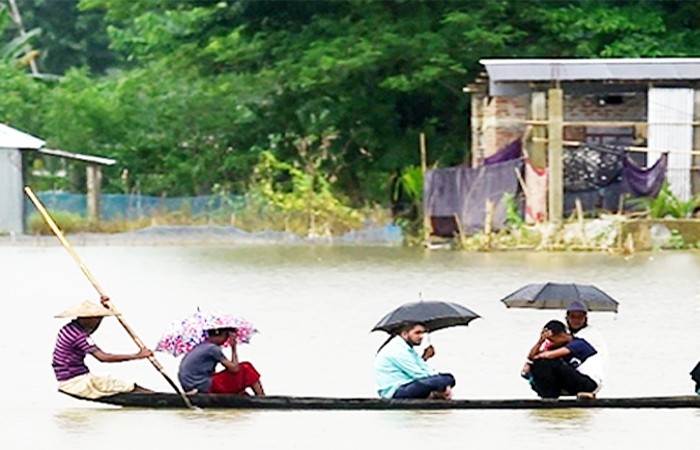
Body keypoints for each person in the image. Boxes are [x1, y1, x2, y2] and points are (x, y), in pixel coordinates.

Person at [52, 298, 153, 399]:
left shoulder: (69, 328)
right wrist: (138, 355)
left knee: (117, 384)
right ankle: (155, 397)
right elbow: (103, 358)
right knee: (128, 386)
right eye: (97, 318)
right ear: (86, 319)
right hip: (75, 382)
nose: (98, 322)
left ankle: (153, 395)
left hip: (68, 378)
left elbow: (91, 329)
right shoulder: (79, 336)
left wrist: (105, 309)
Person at [374, 322, 456, 399]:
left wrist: (425, 357)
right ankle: (436, 393)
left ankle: (435, 392)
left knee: (449, 377)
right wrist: (441, 384)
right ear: (405, 334)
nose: (421, 336)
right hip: (395, 391)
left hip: (408, 384)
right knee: (437, 381)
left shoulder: (407, 349)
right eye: (417, 333)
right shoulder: (397, 350)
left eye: (423, 333)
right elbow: (419, 375)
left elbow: (426, 370)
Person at [527, 320, 604, 399]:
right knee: (538, 365)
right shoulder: (555, 347)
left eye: (551, 340)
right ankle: (548, 396)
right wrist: (540, 342)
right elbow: (532, 357)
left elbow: (548, 355)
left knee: (548, 362)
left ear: (561, 335)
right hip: (572, 382)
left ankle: (549, 394)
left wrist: (536, 359)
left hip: (589, 383)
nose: (550, 343)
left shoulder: (579, 343)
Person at [178, 327, 264, 395]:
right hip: (202, 385)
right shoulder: (212, 348)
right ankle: (261, 397)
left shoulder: (202, 346)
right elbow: (234, 369)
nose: (226, 339)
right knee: (246, 367)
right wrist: (233, 349)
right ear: (218, 335)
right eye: (225, 336)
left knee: (241, 392)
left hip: (191, 385)